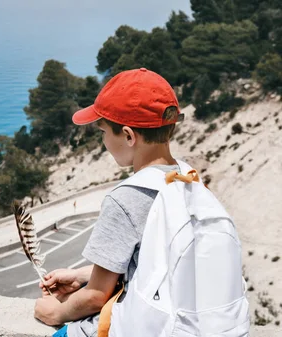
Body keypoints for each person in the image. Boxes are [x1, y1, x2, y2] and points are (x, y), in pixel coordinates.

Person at [33, 68, 184, 337]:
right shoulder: (188, 180)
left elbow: (95, 297)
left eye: (103, 132)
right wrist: (81, 275)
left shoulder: (125, 199)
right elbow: (153, 263)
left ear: (128, 136)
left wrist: (54, 311)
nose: (103, 140)